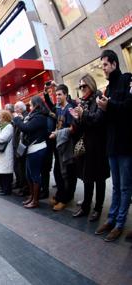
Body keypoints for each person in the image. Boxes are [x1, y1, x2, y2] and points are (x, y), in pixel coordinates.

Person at [94, 50, 132, 242]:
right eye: (102, 66)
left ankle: (119, 223)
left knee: (126, 187)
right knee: (116, 186)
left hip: (126, 145)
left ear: (115, 64)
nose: (104, 69)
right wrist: (99, 109)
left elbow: (128, 108)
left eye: (106, 65)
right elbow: (104, 120)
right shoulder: (106, 90)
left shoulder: (127, 80)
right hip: (112, 145)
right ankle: (111, 219)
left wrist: (110, 106)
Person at [69, 74, 109, 222]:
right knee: (87, 178)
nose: (82, 89)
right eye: (80, 87)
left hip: (98, 146)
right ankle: (86, 206)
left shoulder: (98, 97)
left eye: (84, 86)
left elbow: (98, 120)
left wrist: (83, 114)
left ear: (91, 85)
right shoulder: (84, 102)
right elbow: (81, 127)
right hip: (87, 145)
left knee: (99, 178)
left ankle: (97, 208)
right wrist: (76, 117)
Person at [13, 96, 49, 209]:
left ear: (36, 105)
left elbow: (27, 128)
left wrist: (17, 120)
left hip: (37, 148)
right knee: (29, 175)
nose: (30, 107)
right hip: (31, 148)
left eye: (31, 104)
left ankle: (35, 200)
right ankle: (32, 197)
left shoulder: (40, 117)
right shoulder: (33, 115)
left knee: (34, 175)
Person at [46, 84, 77, 211]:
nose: (57, 97)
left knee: (67, 175)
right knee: (58, 173)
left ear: (65, 94)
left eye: (59, 94)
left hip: (68, 147)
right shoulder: (58, 108)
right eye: (56, 94)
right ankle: (61, 196)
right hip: (60, 146)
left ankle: (65, 199)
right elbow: (49, 107)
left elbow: (72, 129)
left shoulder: (70, 108)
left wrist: (57, 133)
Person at [0, 111, 14, 195]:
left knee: (6, 172)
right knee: (3, 172)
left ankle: (7, 190)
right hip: (2, 152)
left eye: (0, 117)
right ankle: (4, 188)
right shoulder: (2, 127)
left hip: (6, 151)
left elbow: (2, 138)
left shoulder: (9, 126)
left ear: (4, 118)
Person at [13, 101, 28, 196]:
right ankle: (22, 186)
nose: (15, 110)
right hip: (18, 145)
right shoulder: (18, 117)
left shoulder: (25, 116)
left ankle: (25, 188)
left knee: (23, 168)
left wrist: (18, 120)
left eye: (16, 108)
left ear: (21, 108)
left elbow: (23, 129)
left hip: (23, 146)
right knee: (20, 168)